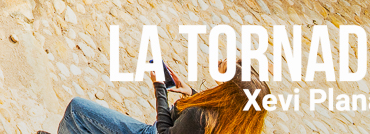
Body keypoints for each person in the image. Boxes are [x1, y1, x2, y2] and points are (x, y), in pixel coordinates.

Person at [57, 73, 272, 134]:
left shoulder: (199, 117)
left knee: (77, 111)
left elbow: (163, 131)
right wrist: (190, 92)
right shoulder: (242, 125)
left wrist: (159, 87)